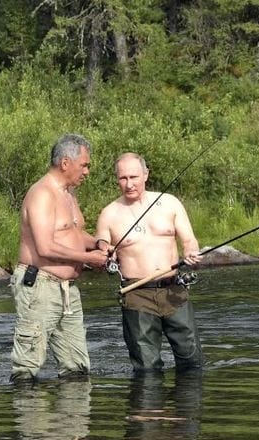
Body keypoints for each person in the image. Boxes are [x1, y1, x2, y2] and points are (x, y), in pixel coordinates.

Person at [10, 133, 110, 383]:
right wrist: (89, 259)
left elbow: (73, 234)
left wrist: (99, 244)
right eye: (84, 164)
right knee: (27, 367)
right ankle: (30, 419)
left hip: (67, 290)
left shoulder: (69, 193)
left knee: (77, 367)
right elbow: (45, 246)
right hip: (40, 286)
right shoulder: (42, 194)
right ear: (65, 163)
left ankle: (73, 422)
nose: (87, 171)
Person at [95, 152, 204, 373]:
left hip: (174, 290)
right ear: (117, 179)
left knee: (192, 362)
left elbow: (189, 239)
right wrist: (107, 253)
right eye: (122, 178)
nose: (129, 184)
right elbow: (102, 247)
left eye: (134, 177)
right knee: (147, 369)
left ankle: (188, 408)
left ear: (146, 174)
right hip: (136, 295)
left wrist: (191, 251)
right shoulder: (109, 214)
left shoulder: (170, 203)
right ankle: (147, 407)